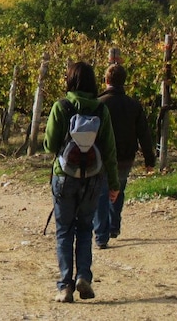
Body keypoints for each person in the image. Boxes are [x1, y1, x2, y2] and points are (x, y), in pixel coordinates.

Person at [44, 61, 119, 303]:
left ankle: (65, 285)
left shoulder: (61, 107)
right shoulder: (101, 110)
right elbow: (109, 150)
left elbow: (50, 145)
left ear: (70, 80)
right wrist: (114, 184)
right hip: (93, 178)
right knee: (86, 228)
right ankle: (83, 276)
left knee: (64, 230)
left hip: (65, 177)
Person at [93, 63, 155, 248]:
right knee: (118, 189)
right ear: (124, 82)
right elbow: (144, 133)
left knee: (102, 193)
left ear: (106, 81)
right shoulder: (134, 105)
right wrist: (149, 160)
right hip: (125, 156)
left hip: (102, 156)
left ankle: (101, 236)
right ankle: (113, 226)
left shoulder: (98, 104)